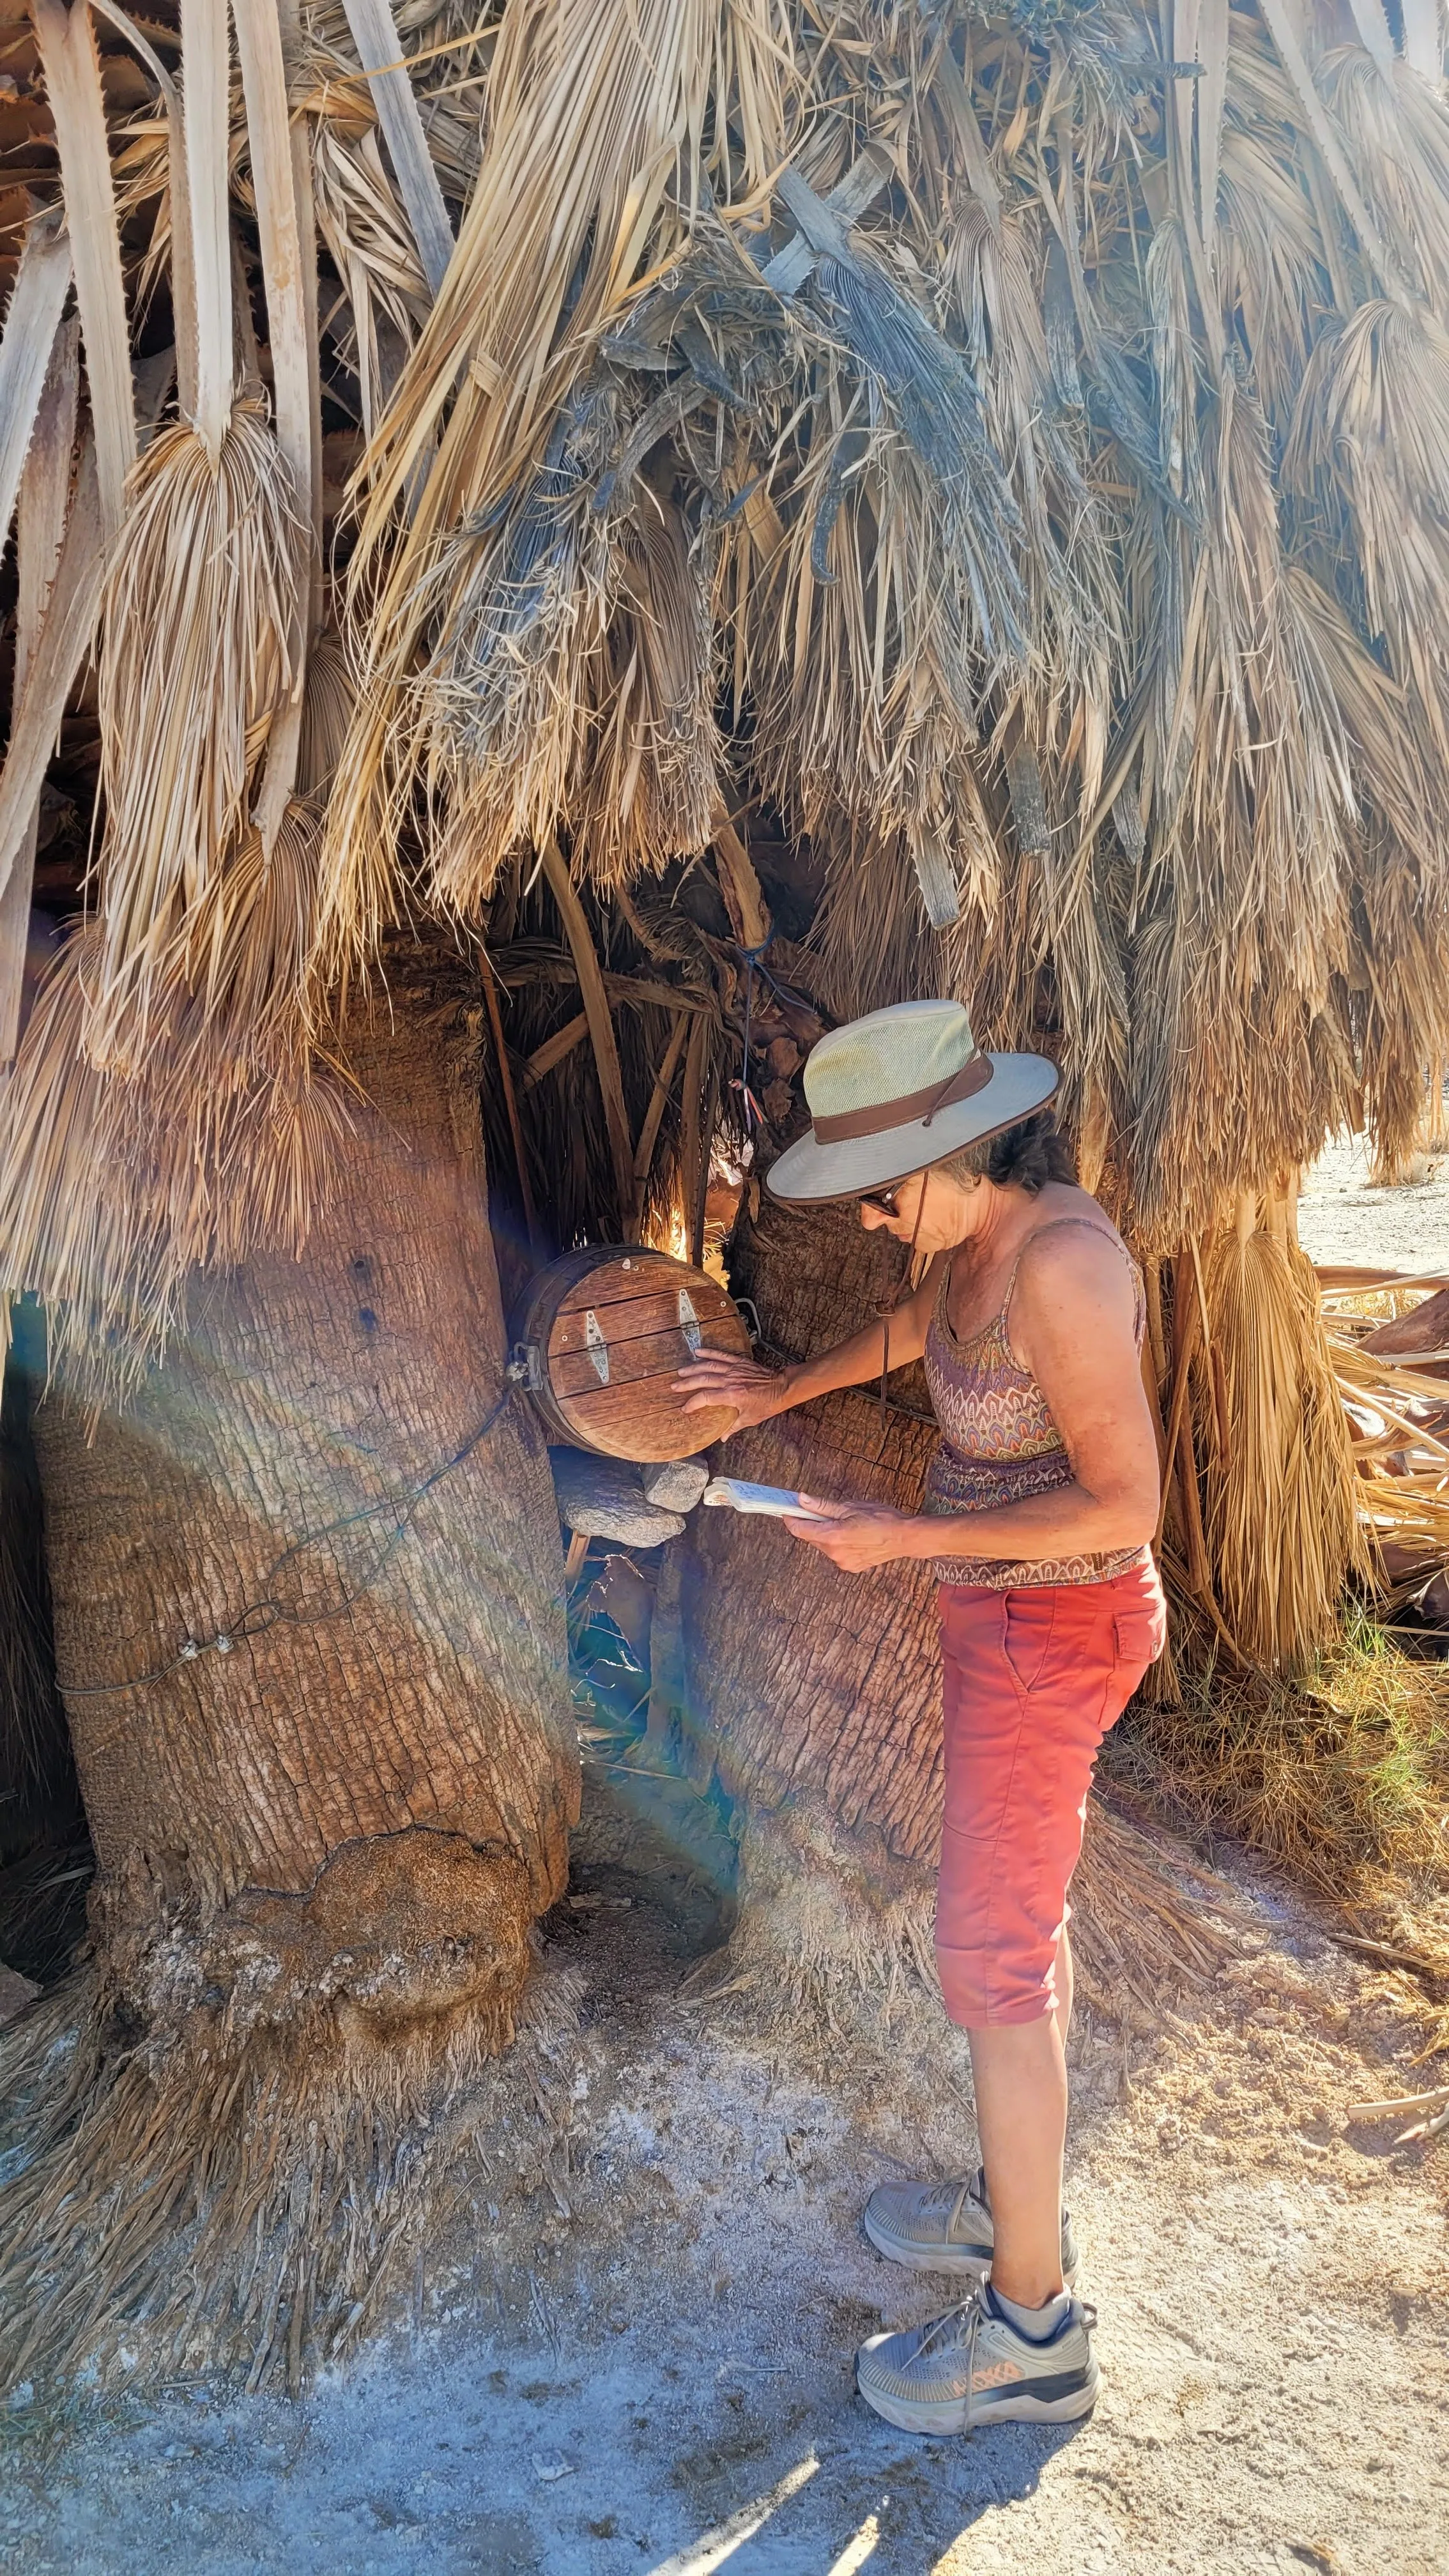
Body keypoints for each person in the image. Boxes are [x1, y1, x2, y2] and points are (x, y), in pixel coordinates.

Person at [676, 997, 1164, 2435]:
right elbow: (912, 1332)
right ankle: (1016, 2207)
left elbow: (1129, 1505)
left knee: (989, 1961)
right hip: (1003, 1616)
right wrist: (778, 1383)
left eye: (887, 1192)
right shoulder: (981, 1243)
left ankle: (1034, 2336)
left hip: (1051, 1628)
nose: (881, 1221)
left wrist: (903, 1534)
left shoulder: (1061, 1268)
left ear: (959, 1150)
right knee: (1022, 1941)